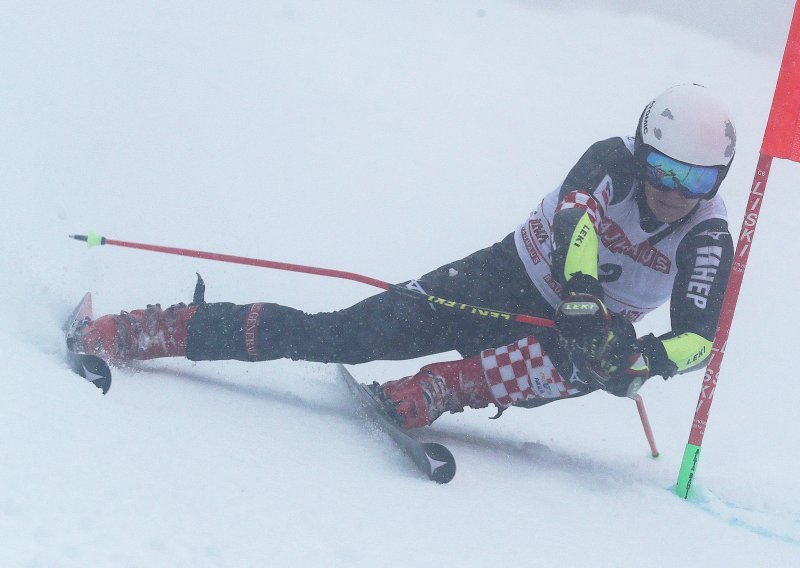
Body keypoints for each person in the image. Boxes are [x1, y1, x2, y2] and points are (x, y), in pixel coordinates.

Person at [73, 84, 735, 430]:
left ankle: (441, 388)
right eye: (664, 170)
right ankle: (162, 328)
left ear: (719, 181)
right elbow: (574, 222)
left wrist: (641, 362)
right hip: (505, 277)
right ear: (643, 149)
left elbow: (700, 340)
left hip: (568, 338)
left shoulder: (708, 235)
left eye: (697, 181)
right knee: (344, 335)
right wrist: (583, 291)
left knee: (599, 354)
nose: (674, 193)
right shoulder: (611, 158)